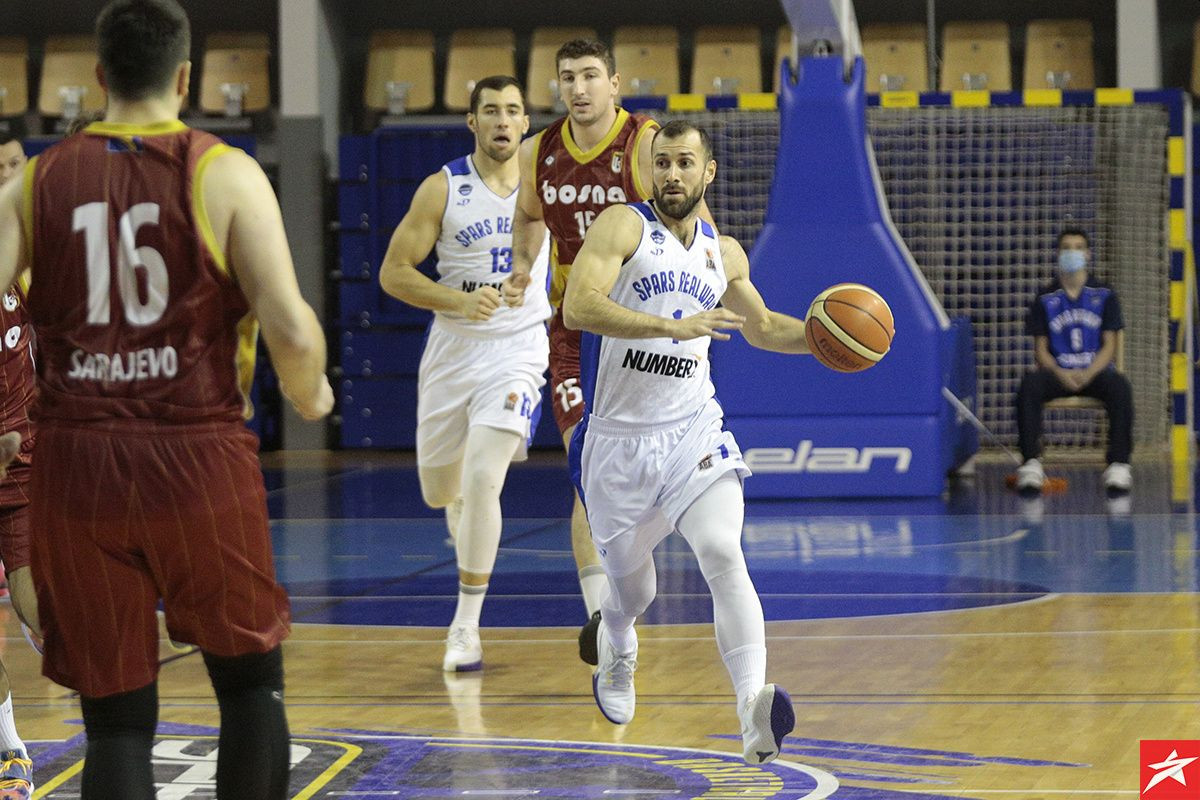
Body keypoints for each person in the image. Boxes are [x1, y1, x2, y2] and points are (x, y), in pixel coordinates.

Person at [0, 1, 333, 797]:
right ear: (185, 78)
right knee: (251, 685)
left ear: (97, 79)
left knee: (115, 721)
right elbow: (289, 324)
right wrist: (309, 388)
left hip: (76, 465)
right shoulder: (223, 170)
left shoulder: (32, 184)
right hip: (195, 455)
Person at [562, 120, 806, 764]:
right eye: (662, 163)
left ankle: (753, 711)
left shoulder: (723, 254)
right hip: (617, 444)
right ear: (649, 172)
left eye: (684, 162)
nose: (672, 174)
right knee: (634, 592)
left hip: (693, 430)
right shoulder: (622, 226)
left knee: (724, 551)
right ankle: (616, 639)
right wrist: (673, 326)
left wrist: (824, 339)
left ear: (708, 172)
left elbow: (764, 327)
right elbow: (578, 307)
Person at [379, 75, 551, 672]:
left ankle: (465, 626)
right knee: (440, 490)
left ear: (526, 122)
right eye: (491, 111)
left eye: (513, 110)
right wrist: (455, 300)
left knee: (483, 479)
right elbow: (393, 273)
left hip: (520, 349)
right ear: (472, 123)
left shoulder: (547, 187)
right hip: (454, 350)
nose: (503, 120)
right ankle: (461, 519)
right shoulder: (441, 189)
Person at [503, 38, 664, 663]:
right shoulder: (536, 150)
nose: (579, 88)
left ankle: (623, 598)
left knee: (638, 481)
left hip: (639, 325)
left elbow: (683, 216)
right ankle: (604, 622)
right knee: (586, 474)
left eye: (591, 75)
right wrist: (522, 268)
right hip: (573, 326)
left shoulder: (643, 143)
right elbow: (527, 216)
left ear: (615, 84)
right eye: (567, 77)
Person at [1015, 228, 1132, 494]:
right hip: (1058, 373)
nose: (1072, 253)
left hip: (1094, 372)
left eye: (1078, 247)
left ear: (1088, 254)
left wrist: (1089, 372)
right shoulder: (1045, 298)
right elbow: (1041, 350)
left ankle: (1119, 465)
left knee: (1120, 387)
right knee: (1029, 386)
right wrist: (1060, 372)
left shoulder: (1104, 294)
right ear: (1058, 254)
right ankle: (1031, 463)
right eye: (1067, 247)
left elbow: (1110, 345)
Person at [0, 133, 36, 798]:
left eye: (13, 165)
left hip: (29, 466)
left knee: (44, 616)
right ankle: (10, 749)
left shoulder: (45, 251)